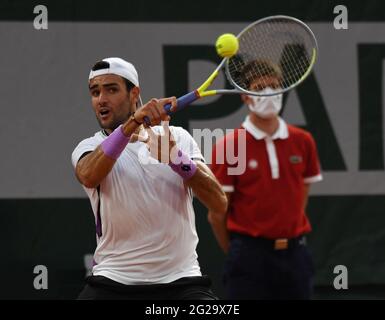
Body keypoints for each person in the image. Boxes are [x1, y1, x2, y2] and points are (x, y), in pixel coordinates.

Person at [71, 57, 228, 300]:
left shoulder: (177, 137)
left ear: (134, 94)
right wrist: (133, 123)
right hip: (113, 281)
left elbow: (219, 201)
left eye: (111, 89)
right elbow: (88, 175)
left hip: (181, 282)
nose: (101, 99)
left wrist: (176, 159)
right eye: (95, 92)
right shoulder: (90, 146)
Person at [208, 60, 323, 300]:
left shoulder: (303, 141)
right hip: (249, 258)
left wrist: (287, 229)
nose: (269, 93)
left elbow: (301, 193)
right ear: (245, 97)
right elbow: (217, 213)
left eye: (275, 85)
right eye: (259, 87)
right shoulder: (229, 147)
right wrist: (238, 253)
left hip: (296, 255)